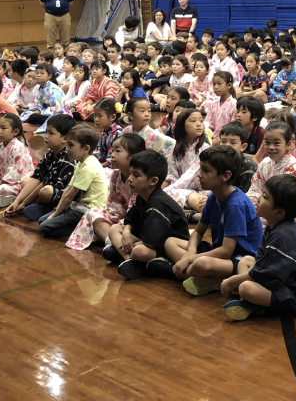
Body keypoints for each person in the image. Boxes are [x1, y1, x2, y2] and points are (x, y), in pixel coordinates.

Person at [221, 175, 296, 321]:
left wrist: (234, 281)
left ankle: (255, 305)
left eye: (264, 197)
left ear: (280, 212)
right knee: (246, 261)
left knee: (246, 288)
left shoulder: (284, 235)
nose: (258, 199)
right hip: (284, 282)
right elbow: (262, 263)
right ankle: (252, 300)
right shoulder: (276, 226)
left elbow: (267, 276)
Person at [163, 145, 263, 293]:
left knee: (201, 264)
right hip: (218, 252)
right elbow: (198, 232)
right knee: (170, 242)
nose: (199, 175)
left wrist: (190, 259)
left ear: (226, 176)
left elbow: (226, 252)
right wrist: (191, 252)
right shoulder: (213, 197)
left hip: (240, 260)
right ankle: (194, 275)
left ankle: (175, 270)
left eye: (206, 171)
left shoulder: (236, 205)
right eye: (200, 169)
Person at [108, 151, 191, 281]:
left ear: (153, 181)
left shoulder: (157, 203)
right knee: (114, 229)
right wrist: (126, 234)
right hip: (147, 241)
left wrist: (129, 242)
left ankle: (142, 260)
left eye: (136, 175)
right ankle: (129, 261)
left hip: (165, 247)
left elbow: (151, 242)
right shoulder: (142, 196)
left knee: (139, 252)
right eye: (131, 173)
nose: (129, 179)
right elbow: (130, 220)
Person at [38, 124, 107, 240]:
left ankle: (86, 231)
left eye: (71, 145)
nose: (66, 149)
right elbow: (68, 189)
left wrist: (55, 214)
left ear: (86, 149)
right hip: (78, 206)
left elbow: (70, 195)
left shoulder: (89, 167)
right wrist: (57, 212)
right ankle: (76, 225)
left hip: (87, 210)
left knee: (45, 227)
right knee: (42, 220)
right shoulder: (81, 162)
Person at [4, 114, 76, 218]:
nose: (46, 136)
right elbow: (36, 178)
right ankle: (35, 203)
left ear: (64, 139)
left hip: (65, 197)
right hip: (45, 188)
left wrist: (24, 202)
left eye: (51, 133)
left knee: (46, 192)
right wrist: (19, 200)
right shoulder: (50, 154)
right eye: (46, 132)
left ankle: (47, 209)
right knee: (25, 181)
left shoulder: (67, 158)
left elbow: (44, 184)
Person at [247, 121, 296, 207]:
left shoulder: (293, 168)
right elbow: (254, 190)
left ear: (288, 144)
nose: (271, 147)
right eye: (267, 143)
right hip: (261, 206)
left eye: (277, 143)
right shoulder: (265, 163)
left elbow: (282, 200)